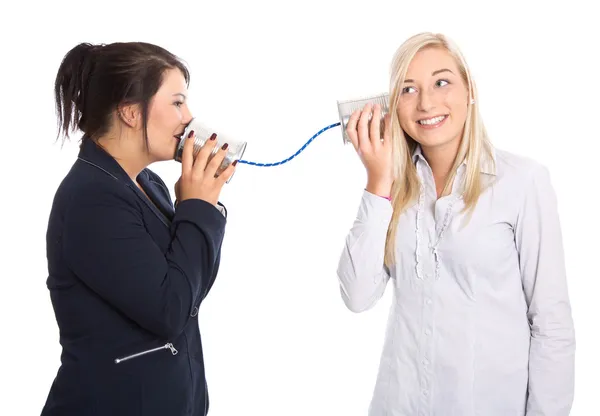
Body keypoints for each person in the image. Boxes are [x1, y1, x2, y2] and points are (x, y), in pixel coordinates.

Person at [337, 32, 575, 415]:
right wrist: (377, 181)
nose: (426, 102)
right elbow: (357, 295)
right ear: (392, 105)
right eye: (408, 90)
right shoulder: (391, 189)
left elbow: (552, 326)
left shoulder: (523, 182)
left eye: (441, 82)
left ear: (470, 91)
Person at [42, 42, 237, 415]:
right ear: (131, 112)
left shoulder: (148, 184)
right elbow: (170, 310)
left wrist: (196, 207)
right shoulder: (91, 200)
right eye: (178, 103)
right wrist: (197, 209)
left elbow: (191, 290)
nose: (189, 118)